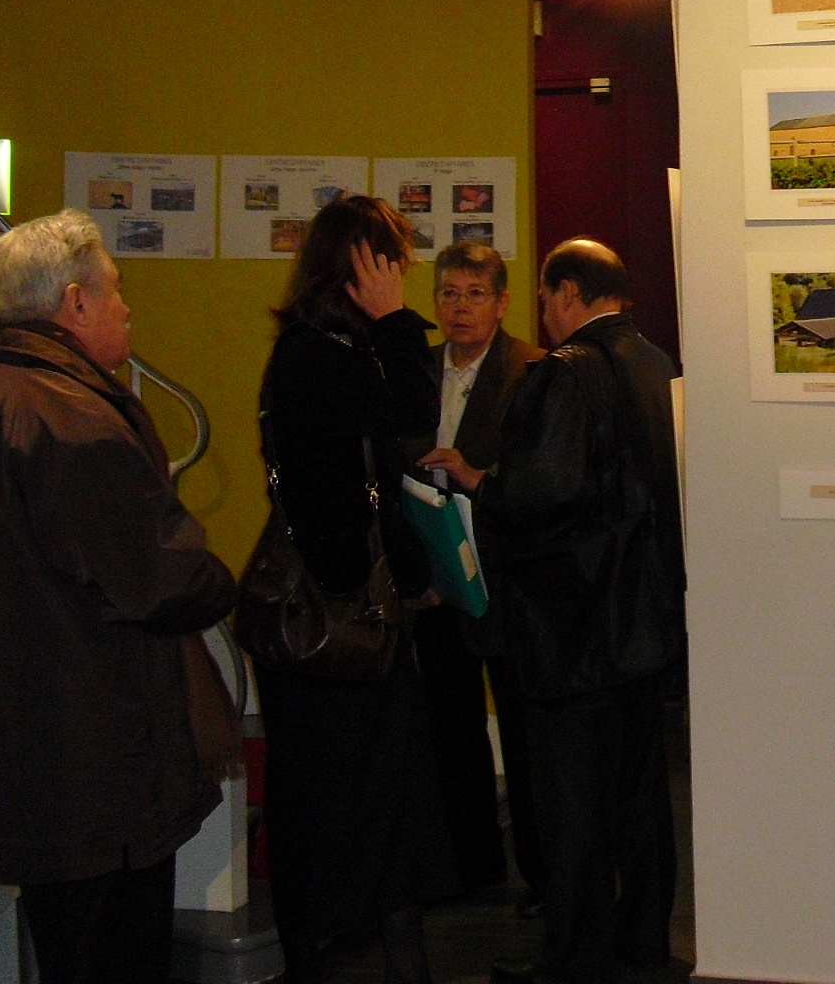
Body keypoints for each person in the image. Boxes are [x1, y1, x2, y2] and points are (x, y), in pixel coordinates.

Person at [0, 210, 238, 984]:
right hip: (98, 763)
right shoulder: (71, 419)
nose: (127, 308)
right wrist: (217, 579)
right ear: (74, 303)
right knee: (116, 956)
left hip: (24, 753)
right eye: (114, 290)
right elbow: (160, 578)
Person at [249, 197, 455, 984]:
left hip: (347, 614)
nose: (404, 273)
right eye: (391, 260)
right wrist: (396, 320)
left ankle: (359, 953)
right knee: (347, 808)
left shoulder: (321, 351)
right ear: (362, 268)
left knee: (370, 807)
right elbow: (412, 411)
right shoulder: (318, 356)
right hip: (334, 623)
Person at [476, 239, 687, 984]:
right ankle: (643, 941)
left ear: (569, 292)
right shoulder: (657, 365)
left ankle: (574, 957)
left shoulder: (563, 375)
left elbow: (539, 494)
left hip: (575, 628)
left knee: (573, 806)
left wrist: (486, 492)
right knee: (640, 798)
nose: (544, 313)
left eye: (544, 298)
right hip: (646, 621)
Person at [405, 241, 547, 911]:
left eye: (474, 294)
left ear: (502, 302)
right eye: (449, 294)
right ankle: (469, 864)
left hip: (507, 579)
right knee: (449, 727)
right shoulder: (416, 369)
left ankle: (543, 877)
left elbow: (543, 478)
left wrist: (476, 475)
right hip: (437, 578)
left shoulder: (532, 371)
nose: (459, 308)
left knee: (523, 734)